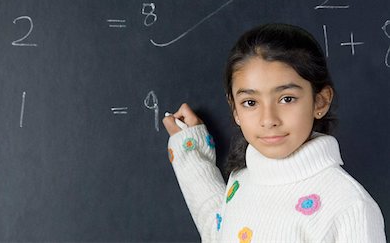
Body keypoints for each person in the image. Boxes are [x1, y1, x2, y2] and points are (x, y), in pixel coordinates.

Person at [163, 23, 386, 243]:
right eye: (250, 102)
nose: (268, 119)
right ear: (235, 110)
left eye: (287, 99)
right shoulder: (241, 180)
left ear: (320, 101)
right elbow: (219, 232)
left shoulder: (349, 206)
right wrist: (189, 148)